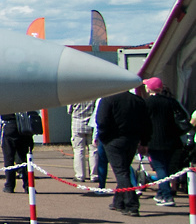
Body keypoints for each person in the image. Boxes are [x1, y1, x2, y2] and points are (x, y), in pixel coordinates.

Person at [97, 84, 152, 216]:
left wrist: (104, 138)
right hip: (132, 140)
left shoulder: (108, 99)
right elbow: (146, 123)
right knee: (124, 169)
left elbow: (102, 121)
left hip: (114, 140)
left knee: (121, 172)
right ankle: (118, 201)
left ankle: (131, 204)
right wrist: (144, 141)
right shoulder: (138, 101)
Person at [142, 77, 188, 207]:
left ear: (149, 88)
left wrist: (143, 141)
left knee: (159, 167)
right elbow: (183, 118)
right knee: (167, 167)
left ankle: (167, 196)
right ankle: (161, 193)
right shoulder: (171, 102)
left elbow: (143, 123)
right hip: (173, 141)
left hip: (155, 140)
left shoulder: (147, 103)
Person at [0, 110, 37, 193]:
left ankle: (10, 185)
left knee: (9, 157)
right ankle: (28, 185)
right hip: (24, 125)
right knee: (25, 158)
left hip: (10, 124)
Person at [68, 99, 97, 182]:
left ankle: (80, 175)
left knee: (78, 150)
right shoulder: (93, 95)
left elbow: (69, 110)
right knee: (94, 150)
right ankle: (94, 175)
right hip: (91, 123)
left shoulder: (74, 96)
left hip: (77, 124)